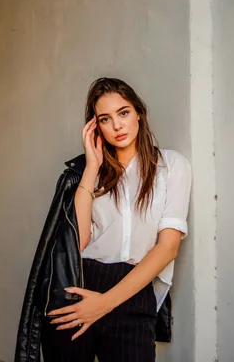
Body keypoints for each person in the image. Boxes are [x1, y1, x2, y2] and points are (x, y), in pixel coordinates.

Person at [41, 77, 192, 362]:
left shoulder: (171, 166)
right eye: (105, 119)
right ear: (96, 126)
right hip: (80, 285)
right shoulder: (92, 172)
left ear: (139, 112)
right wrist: (91, 167)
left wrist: (104, 304)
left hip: (133, 291)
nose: (117, 126)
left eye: (123, 113)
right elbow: (80, 240)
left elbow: (168, 248)